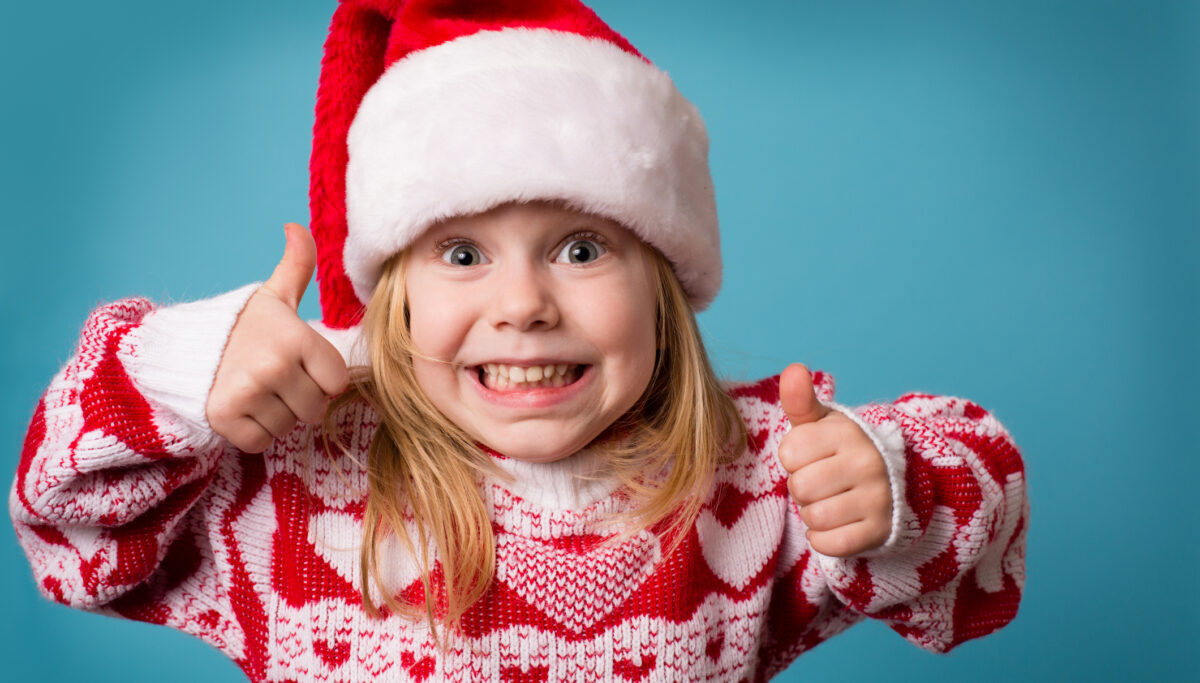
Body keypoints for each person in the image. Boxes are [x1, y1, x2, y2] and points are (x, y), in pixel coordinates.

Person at [10, 1, 1028, 681]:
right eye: (461, 253)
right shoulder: (291, 476)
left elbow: (983, 519)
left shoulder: (753, 478)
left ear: (664, 282)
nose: (525, 304)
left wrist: (888, 486)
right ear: (393, 296)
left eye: (581, 248)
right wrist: (180, 373)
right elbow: (67, 529)